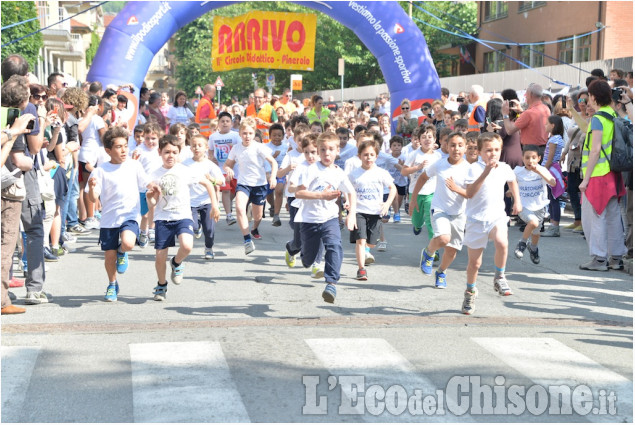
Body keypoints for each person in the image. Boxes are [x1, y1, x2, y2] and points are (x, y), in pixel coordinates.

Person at [85, 126, 157, 302]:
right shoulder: (100, 171)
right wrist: (93, 188)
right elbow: (93, 199)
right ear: (108, 150)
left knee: (128, 243)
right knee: (109, 257)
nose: (124, 150)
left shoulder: (134, 165)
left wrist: (155, 187)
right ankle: (112, 284)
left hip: (130, 215)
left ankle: (122, 251)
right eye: (118, 147)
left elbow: (147, 183)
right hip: (109, 219)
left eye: (125, 145)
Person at [146, 135, 220, 301]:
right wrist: (151, 195)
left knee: (187, 246)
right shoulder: (154, 175)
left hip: (182, 216)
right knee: (160, 256)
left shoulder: (185, 170)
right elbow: (151, 203)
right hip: (163, 218)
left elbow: (208, 184)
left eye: (174, 152)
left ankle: (177, 263)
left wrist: (214, 205)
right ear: (159, 152)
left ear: (179, 153)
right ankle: (161, 285)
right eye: (166, 152)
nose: (170, 155)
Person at [462, 132, 522, 315]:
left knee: (502, 242)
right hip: (476, 220)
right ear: (480, 152)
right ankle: (470, 292)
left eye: (496, 150)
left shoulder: (504, 167)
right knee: (475, 263)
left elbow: (512, 182)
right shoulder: (472, 169)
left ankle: (500, 276)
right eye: (488, 150)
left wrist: (517, 201)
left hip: (497, 216)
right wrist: (486, 172)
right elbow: (470, 192)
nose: (493, 154)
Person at [294, 132, 356, 303]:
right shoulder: (311, 169)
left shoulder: (339, 173)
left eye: (330, 149)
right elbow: (299, 193)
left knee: (335, 245)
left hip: (329, 219)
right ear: (319, 152)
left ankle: (331, 283)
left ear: (337, 151)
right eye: (322, 149)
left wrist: (351, 214)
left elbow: (351, 192)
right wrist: (321, 195)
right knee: (308, 259)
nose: (326, 153)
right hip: (309, 220)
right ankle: (305, 257)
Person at [409, 132, 470, 288]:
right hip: (439, 209)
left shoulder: (469, 169)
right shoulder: (440, 164)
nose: (456, 149)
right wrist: (413, 198)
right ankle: (429, 253)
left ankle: (441, 272)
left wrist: (457, 189)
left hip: (459, 214)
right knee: (443, 239)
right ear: (446, 147)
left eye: (460, 145)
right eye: (453, 145)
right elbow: (422, 178)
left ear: (466, 147)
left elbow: (471, 194)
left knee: (451, 251)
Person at [578, 79, 627, 271]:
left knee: (596, 217)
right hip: (613, 174)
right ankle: (616, 257)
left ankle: (599, 258)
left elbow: (595, 150)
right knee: (614, 217)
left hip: (598, 175)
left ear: (593, 96)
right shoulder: (614, 114)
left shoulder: (598, 119)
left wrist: (586, 179)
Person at [1, 74, 36, 314]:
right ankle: (2, 301)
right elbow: (17, 159)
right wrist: (14, 133)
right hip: (7, 189)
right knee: (6, 244)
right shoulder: (14, 120)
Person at [223, 118, 278, 255]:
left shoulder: (259, 147)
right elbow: (227, 164)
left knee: (258, 216)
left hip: (259, 185)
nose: (247, 136)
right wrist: (228, 169)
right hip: (243, 183)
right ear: (240, 133)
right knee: (240, 208)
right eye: (244, 133)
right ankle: (247, 240)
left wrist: (272, 176)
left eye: (250, 133)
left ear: (254, 134)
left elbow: (274, 163)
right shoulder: (236, 148)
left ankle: (254, 228)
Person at [348, 139, 396, 280]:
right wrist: (348, 204)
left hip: (375, 212)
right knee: (361, 241)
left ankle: (367, 250)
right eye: (365, 155)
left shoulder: (381, 173)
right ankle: (361, 269)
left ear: (376, 156)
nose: (368, 158)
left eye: (371, 155)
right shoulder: (354, 174)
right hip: (359, 211)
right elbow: (347, 189)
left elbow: (392, 188)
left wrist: (387, 204)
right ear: (359, 156)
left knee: (371, 243)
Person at [512, 145, 556, 264]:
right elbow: (512, 184)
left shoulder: (542, 170)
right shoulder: (517, 171)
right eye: (527, 157)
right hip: (524, 206)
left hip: (540, 207)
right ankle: (522, 244)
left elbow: (553, 183)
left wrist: (539, 172)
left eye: (533, 157)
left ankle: (533, 248)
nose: (530, 161)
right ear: (522, 158)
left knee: (536, 234)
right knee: (533, 222)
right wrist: (510, 194)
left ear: (539, 158)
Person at [184, 134, 223, 259]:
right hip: (190, 202)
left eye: (200, 145)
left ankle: (208, 248)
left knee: (209, 230)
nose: (196, 148)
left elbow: (221, 181)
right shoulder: (185, 164)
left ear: (206, 147)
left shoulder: (210, 165)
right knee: (193, 227)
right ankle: (197, 226)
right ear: (190, 148)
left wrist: (212, 179)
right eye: (194, 145)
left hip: (206, 201)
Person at [401, 125, 441, 240]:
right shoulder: (414, 154)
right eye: (424, 137)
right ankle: (418, 226)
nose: (427, 139)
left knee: (431, 221)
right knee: (417, 220)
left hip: (432, 193)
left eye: (430, 137)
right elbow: (404, 171)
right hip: (416, 192)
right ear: (419, 140)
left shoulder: (438, 156)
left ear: (434, 139)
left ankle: (433, 249)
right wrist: (417, 168)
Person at [132, 123, 164, 247]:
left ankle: (151, 230)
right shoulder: (139, 150)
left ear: (159, 138)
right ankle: (143, 232)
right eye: (147, 138)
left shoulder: (160, 150)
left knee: (154, 209)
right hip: (142, 186)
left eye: (153, 138)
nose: (150, 141)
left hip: (157, 185)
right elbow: (133, 166)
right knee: (144, 214)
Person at [208, 111, 240, 225]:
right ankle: (228, 215)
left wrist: (234, 148)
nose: (225, 123)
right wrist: (211, 157)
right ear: (218, 123)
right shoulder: (213, 137)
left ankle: (228, 207)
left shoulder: (235, 136)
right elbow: (210, 150)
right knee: (224, 190)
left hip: (234, 169)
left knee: (233, 191)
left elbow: (241, 149)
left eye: (227, 121)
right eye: (222, 121)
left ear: (231, 123)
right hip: (220, 169)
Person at [501, 83, 550, 155]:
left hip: (531, 151)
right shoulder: (546, 108)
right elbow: (533, 119)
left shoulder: (528, 113)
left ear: (530, 95)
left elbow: (510, 130)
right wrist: (521, 111)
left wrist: (505, 114)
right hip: (543, 149)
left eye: (526, 94)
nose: (525, 96)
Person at [540, 115, 566, 237]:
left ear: (553, 125)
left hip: (550, 170)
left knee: (553, 199)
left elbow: (549, 159)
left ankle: (554, 226)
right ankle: (553, 225)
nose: (545, 125)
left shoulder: (553, 139)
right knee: (552, 198)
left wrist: (542, 171)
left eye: (547, 123)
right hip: (553, 169)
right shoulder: (558, 138)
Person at [265, 123, 287, 226]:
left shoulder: (286, 147)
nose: (277, 138)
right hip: (268, 174)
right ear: (270, 136)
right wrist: (274, 156)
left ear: (283, 136)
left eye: (279, 135)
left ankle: (276, 216)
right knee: (269, 193)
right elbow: (264, 162)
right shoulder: (265, 147)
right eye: (274, 135)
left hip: (281, 174)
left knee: (279, 191)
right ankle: (273, 206)